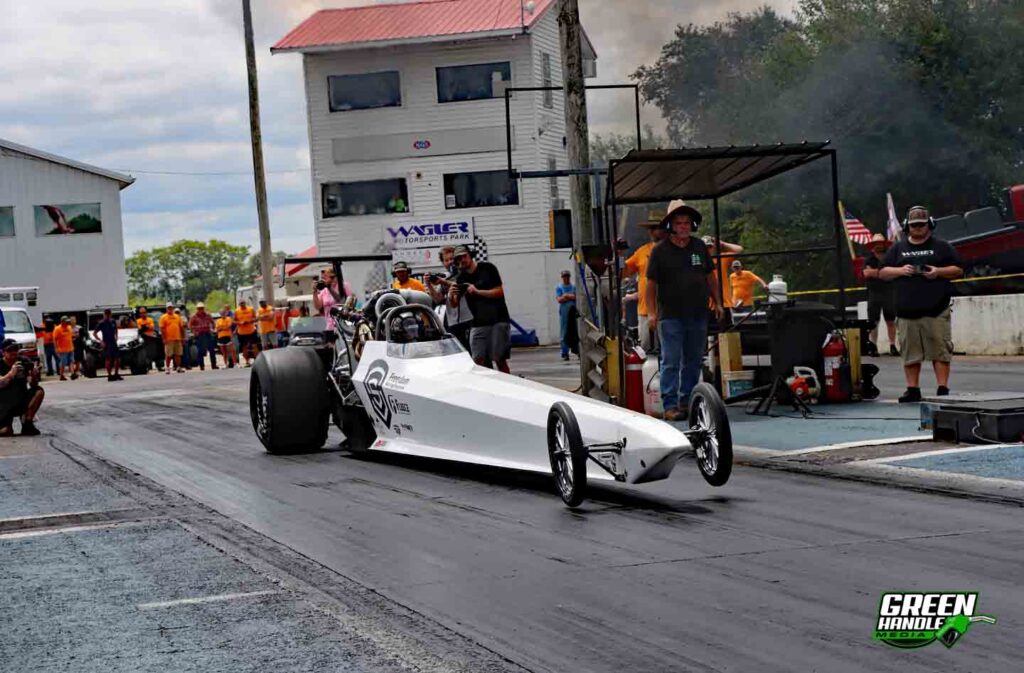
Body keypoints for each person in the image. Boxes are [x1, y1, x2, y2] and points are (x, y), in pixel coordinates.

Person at [646, 200, 724, 422]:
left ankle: (686, 401)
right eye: (679, 223)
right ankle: (669, 404)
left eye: (687, 223)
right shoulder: (659, 251)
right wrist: (652, 313)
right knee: (671, 360)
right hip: (670, 315)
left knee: (693, 360)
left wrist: (717, 302)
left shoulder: (699, 247)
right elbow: (650, 284)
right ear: (671, 225)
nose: (683, 227)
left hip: (698, 313)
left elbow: (711, 276)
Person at [879, 206, 963, 403]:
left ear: (929, 224)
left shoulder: (942, 246)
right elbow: (882, 272)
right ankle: (912, 389)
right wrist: (901, 271)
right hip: (906, 311)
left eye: (921, 225)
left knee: (940, 351)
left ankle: (942, 388)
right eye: (914, 224)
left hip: (936, 309)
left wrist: (937, 272)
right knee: (910, 353)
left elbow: (958, 270)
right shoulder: (897, 248)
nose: (918, 228)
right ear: (908, 226)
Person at [453, 245, 511, 373]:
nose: (462, 260)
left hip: (498, 319)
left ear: (470, 255)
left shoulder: (487, 268)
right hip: (478, 323)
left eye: (464, 256)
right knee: (477, 359)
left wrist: (477, 292)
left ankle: (508, 387)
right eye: (459, 258)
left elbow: (499, 292)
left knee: (499, 358)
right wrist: (452, 294)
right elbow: (454, 304)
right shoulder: (461, 278)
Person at [428, 245, 473, 350]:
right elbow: (438, 299)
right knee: (459, 354)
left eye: (452, 259)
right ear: (443, 263)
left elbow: (460, 286)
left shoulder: (466, 272)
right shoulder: (445, 277)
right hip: (452, 322)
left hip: (469, 319)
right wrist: (429, 285)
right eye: (446, 260)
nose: (450, 262)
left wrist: (443, 282)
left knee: (475, 353)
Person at [862, 233, 899, 357]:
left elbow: (894, 273)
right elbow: (866, 273)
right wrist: (883, 273)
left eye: (880, 243)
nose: (878, 246)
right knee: (873, 321)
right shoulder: (869, 259)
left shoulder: (890, 258)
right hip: (874, 292)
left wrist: (876, 273)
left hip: (889, 291)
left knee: (890, 320)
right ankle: (873, 346)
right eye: (875, 244)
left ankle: (893, 345)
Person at [0, 339, 44, 436]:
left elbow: (32, 384)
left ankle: (27, 423)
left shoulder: (24, 361)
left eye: (16, 349)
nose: (13, 352)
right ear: (3, 352)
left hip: (20, 400)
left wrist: (34, 375)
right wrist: (11, 374)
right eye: (10, 350)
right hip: (3, 405)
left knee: (38, 391)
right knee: (6, 431)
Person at [704, 236, 744, 318]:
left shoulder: (721, 258)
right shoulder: (698, 261)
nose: (708, 250)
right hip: (706, 305)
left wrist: (722, 243)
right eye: (705, 247)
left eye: (710, 247)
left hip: (724, 303)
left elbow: (739, 250)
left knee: (728, 330)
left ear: (714, 247)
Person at [92, 308, 123, 382]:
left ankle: (116, 374)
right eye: (107, 314)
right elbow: (94, 333)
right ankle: (109, 375)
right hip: (106, 342)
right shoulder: (101, 323)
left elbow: (116, 329)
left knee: (117, 359)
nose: (108, 316)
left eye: (109, 314)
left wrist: (116, 336)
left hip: (113, 342)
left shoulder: (113, 321)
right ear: (104, 314)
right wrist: (101, 341)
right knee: (108, 359)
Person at [188, 303, 218, 371]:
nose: (200, 310)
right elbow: (189, 325)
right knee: (200, 351)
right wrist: (194, 331)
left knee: (212, 350)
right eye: (199, 308)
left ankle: (214, 365)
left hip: (207, 333)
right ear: (197, 309)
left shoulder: (207, 315)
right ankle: (202, 366)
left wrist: (213, 329)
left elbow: (213, 322)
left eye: (202, 308)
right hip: (200, 335)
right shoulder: (194, 316)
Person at [555, 271, 576, 361]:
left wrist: (566, 295)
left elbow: (576, 297)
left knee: (575, 331)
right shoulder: (559, 287)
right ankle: (565, 352)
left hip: (573, 311)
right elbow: (559, 299)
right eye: (564, 276)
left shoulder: (574, 286)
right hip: (564, 313)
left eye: (567, 276)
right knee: (564, 332)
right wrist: (569, 297)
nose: (566, 278)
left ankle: (576, 349)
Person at [159, 302, 185, 374]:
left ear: (173, 308)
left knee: (178, 354)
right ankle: (167, 368)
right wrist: (164, 338)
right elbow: (162, 329)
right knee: (168, 354)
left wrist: (183, 337)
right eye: (168, 308)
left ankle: (178, 367)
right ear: (166, 309)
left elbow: (181, 327)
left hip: (177, 338)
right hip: (168, 339)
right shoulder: (163, 317)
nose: (170, 309)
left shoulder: (177, 317)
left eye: (171, 308)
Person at [136, 307, 163, 372]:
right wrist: (145, 327)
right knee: (146, 353)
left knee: (157, 351)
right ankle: (147, 366)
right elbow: (140, 329)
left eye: (144, 312)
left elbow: (151, 327)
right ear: (139, 314)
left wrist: (145, 327)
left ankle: (159, 366)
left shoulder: (150, 319)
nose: (143, 314)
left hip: (152, 338)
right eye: (141, 313)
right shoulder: (138, 321)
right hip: (144, 338)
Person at [52, 316, 77, 381]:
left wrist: (75, 336)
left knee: (71, 361)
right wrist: (56, 348)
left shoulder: (69, 327)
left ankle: (72, 374)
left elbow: (71, 336)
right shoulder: (57, 329)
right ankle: (61, 375)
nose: (67, 323)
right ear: (62, 322)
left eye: (68, 322)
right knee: (63, 363)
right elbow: (54, 339)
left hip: (70, 348)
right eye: (66, 322)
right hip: (62, 350)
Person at [234, 300, 258, 366]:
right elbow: (234, 321)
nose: (242, 305)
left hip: (251, 331)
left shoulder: (251, 309)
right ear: (239, 304)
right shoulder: (237, 311)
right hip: (241, 332)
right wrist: (240, 322)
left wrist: (250, 321)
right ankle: (247, 362)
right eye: (241, 303)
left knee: (254, 345)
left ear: (245, 303)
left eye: (243, 303)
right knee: (244, 347)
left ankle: (257, 360)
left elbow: (256, 318)